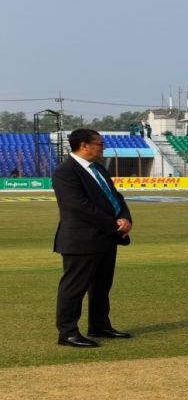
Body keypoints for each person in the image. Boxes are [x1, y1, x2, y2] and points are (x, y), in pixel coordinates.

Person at [52, 129, 133, 347]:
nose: (103, 146)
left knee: (101, 286)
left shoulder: (98, 169)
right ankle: (67, 332)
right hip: (81, 239)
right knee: (74, 287)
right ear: (84, 145)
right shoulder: (65, 171)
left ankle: (99, 325)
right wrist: (114, 225)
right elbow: (78, 207)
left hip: (106, 238)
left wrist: (125, 217)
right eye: (99, 143)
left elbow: (115, 197)